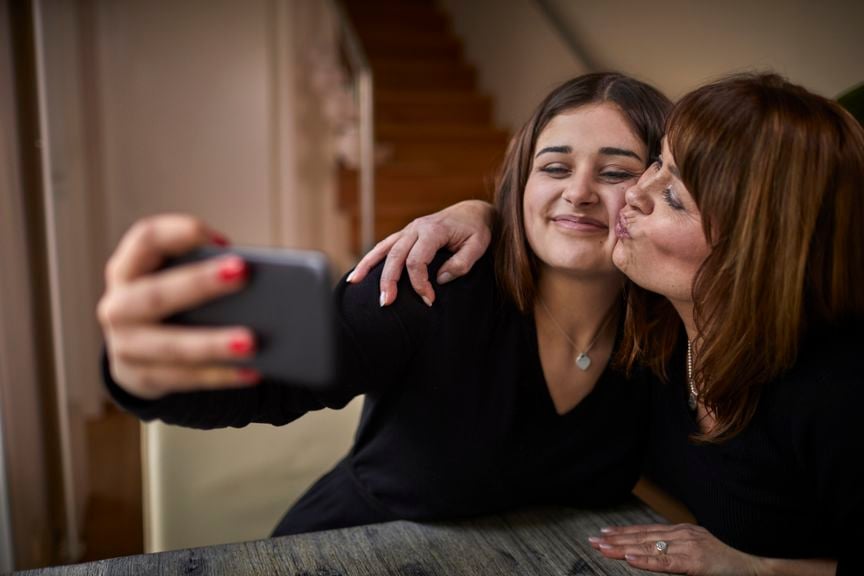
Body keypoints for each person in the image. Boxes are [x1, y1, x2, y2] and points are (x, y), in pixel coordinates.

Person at [98, 73, 672, 535]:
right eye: (554, 166)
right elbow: (282, 379)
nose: (578, 191)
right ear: (519, 184)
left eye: (616, 171)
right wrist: (142, 371)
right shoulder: (433, 282)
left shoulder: (666, 333)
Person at [352, 73, 864, 575]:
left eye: (673, 197)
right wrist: (483, 212)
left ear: (756, 249)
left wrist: (763, 569)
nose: (639, 190)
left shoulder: (836, 391)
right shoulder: (657, 339)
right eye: (659, 163)